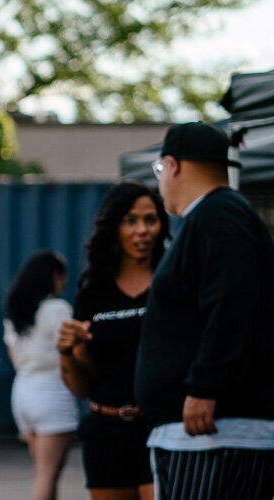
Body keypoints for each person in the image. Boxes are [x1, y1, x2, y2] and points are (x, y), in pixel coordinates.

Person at [136, 121, 274, 499]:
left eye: (160, 171)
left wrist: (204, 387)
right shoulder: (219, 217)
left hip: (213, 434)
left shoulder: (218, 217)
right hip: (209, 431)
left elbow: (231, 301)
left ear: (172, 166)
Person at [57, 181, 166, 500]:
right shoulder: (94, 290)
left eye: (150, 219)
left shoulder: (171, 279)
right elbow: (82, 386)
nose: (142, 230)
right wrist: (65, 352)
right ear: (114, 226)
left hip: (158, 428)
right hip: (105, 431)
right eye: (130, 220)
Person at [2, 250, 76, 500]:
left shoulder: (15, 312)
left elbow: (14, 356)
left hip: (23, 391)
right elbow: (71, 349)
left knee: (42, 473)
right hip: (51, 392)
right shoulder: (56, 308)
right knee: (47, 476)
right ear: (55, 275)